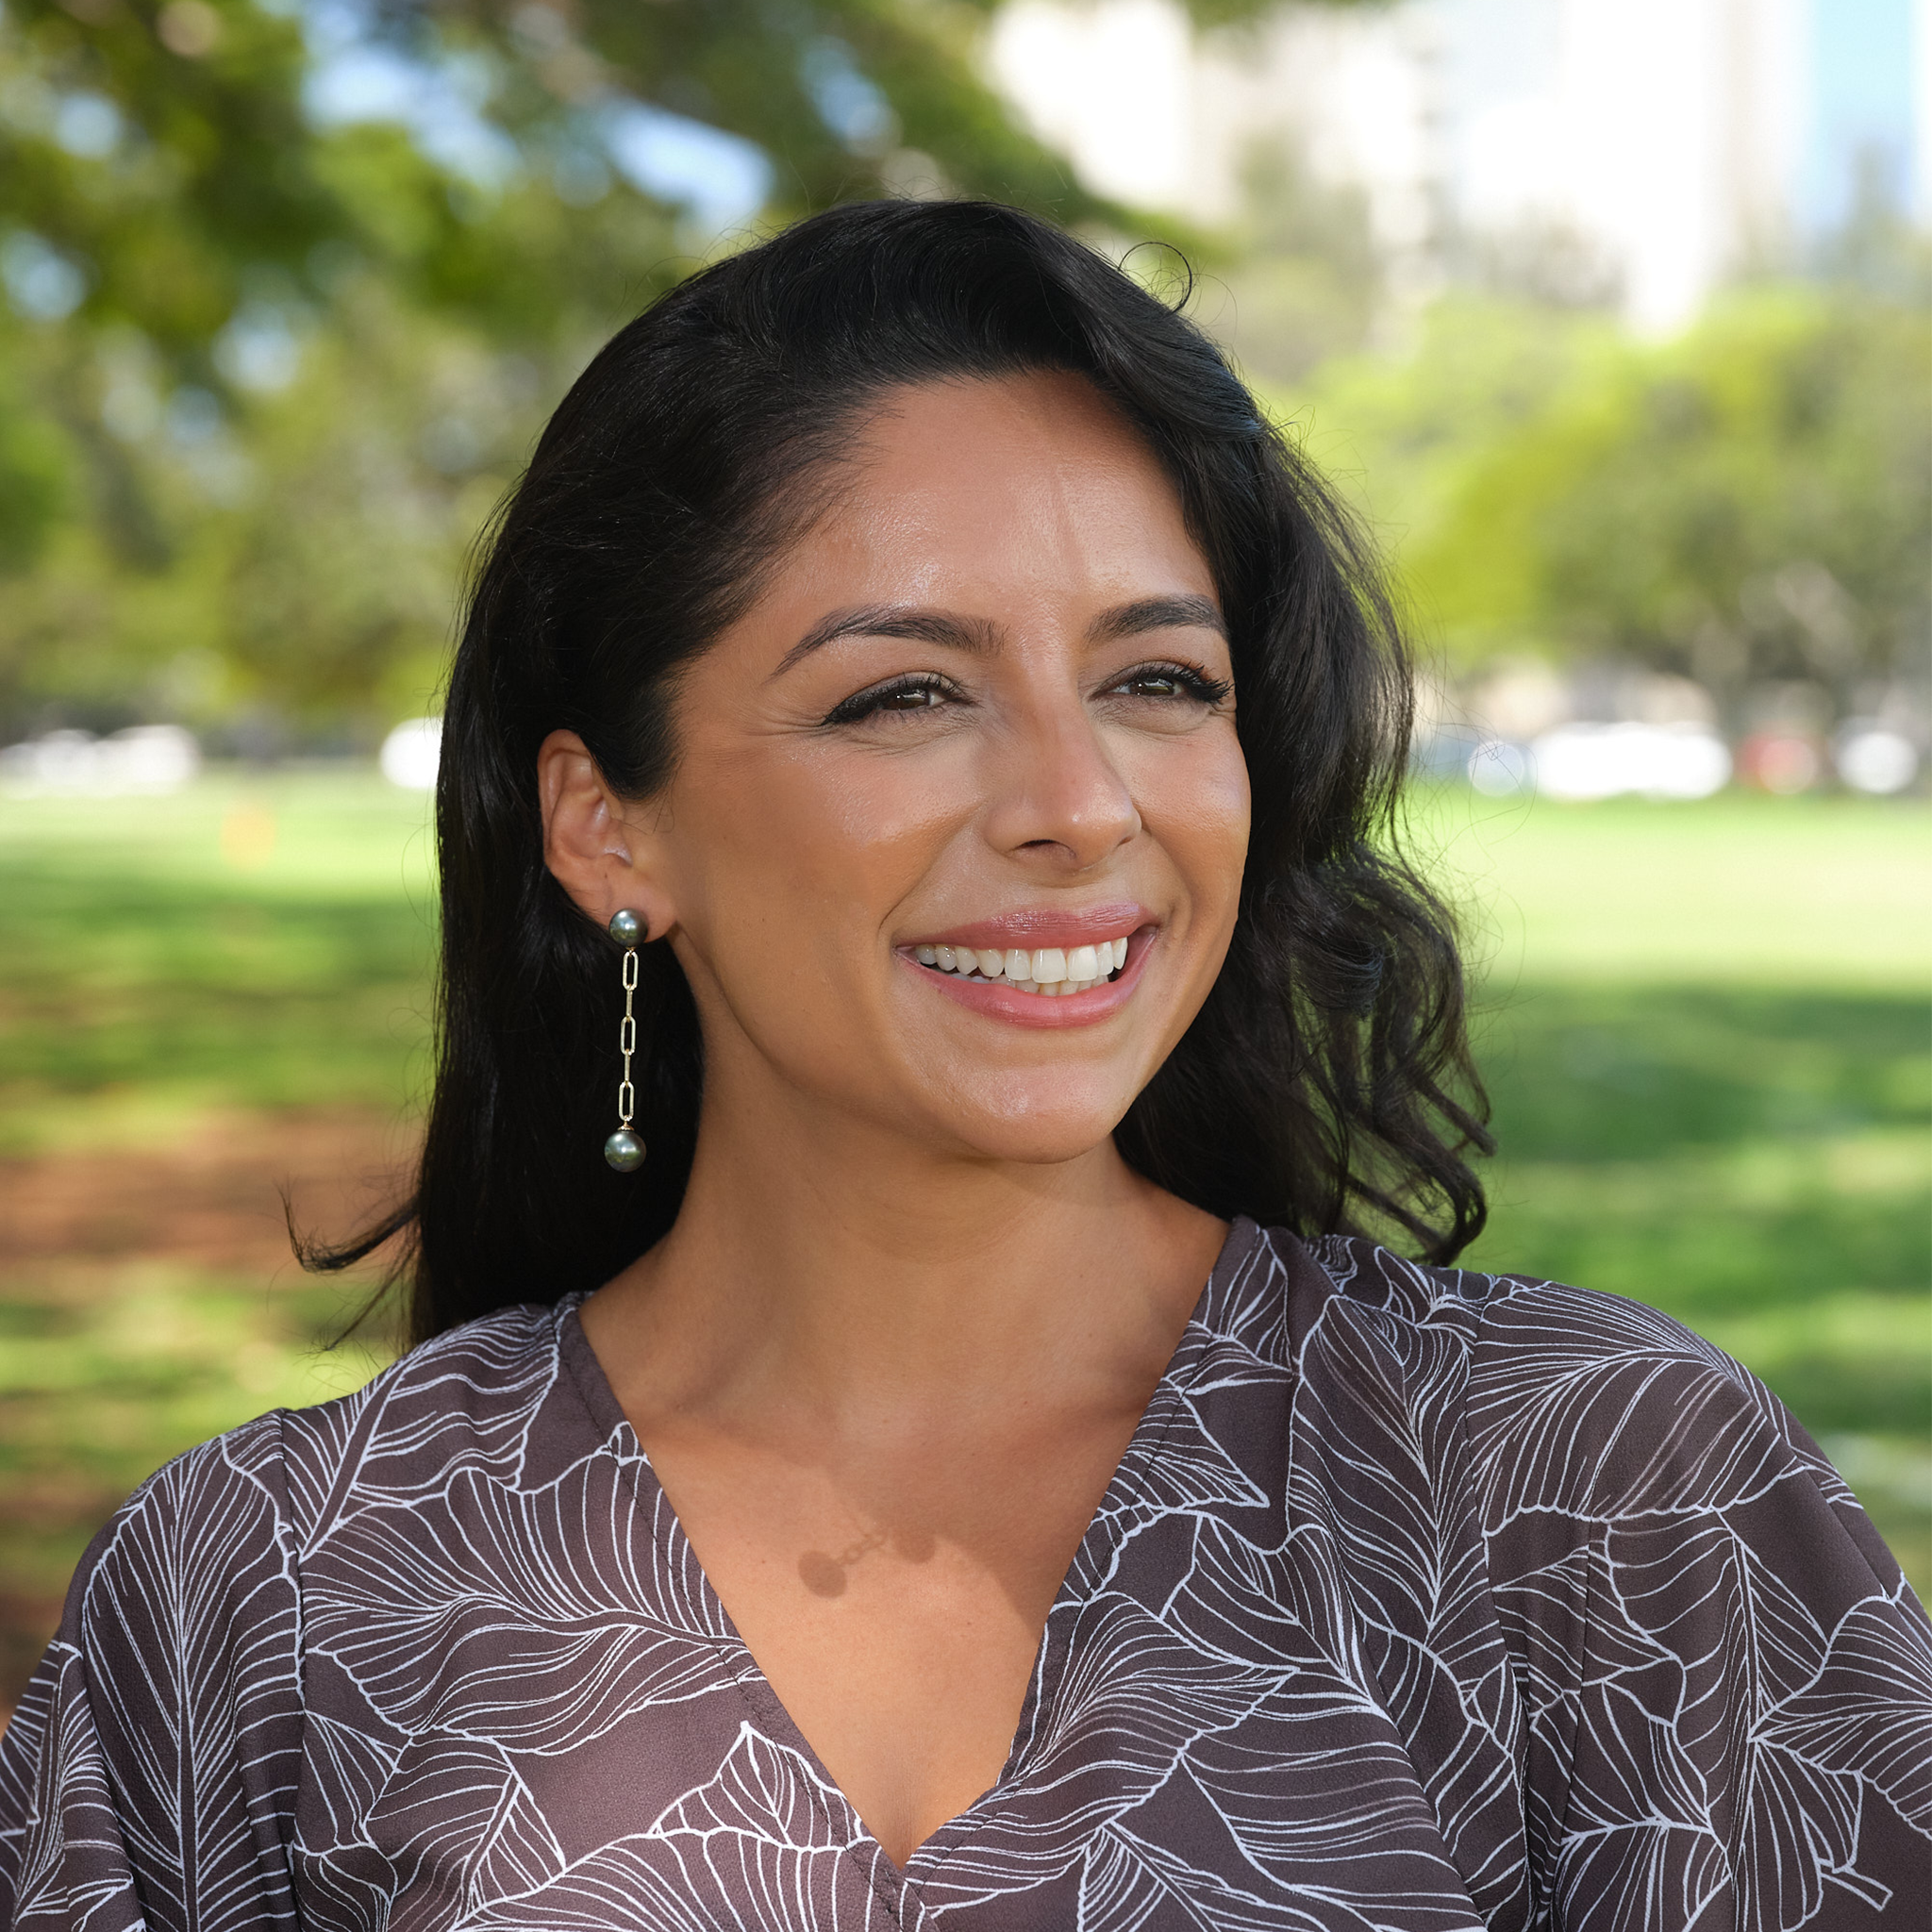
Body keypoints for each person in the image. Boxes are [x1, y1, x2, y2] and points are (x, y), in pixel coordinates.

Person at [0, 200, 1925, 1931]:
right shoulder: (271, 1590)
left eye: (1160, 680)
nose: (1079, 806)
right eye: (904, 692)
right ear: (608, 827)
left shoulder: (1600, 1499)